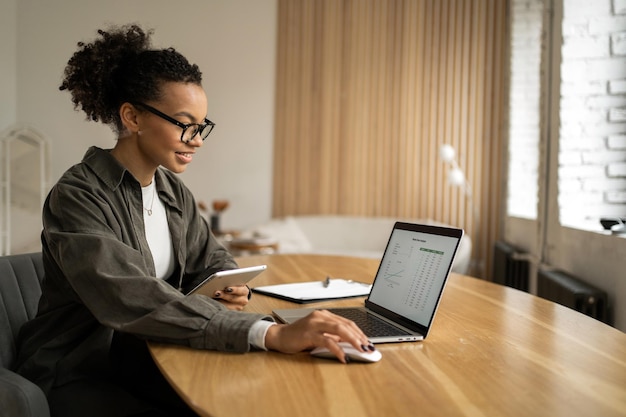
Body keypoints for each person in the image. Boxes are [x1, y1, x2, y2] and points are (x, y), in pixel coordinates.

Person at [15, 24, 374, 417]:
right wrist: (269, 332)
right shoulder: (78, 195)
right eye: (184, 123)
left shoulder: (171, 191)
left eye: (201, 126)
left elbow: (212, 258)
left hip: (145, 356)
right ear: (132, 117)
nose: (197, 139)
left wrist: (232, 286)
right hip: (78, 372)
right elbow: (129, 296)